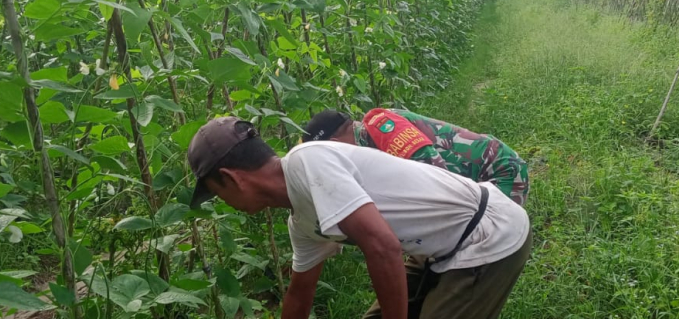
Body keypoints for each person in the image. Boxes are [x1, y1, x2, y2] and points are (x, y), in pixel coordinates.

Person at [188, 116, 532, 319]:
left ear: (232, 179)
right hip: (439, 249)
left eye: (216, 193)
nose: (223, 203)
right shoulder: (302, 221)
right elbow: (299, 293)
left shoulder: (310, 160)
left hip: (486, 235)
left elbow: (381, 247)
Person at [303, 108, 529, 206]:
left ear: (333, 145)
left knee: (483, 255)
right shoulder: (367, 142)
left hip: (499, 172)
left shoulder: (380, 127)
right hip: (478, 180)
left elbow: (434, 173)